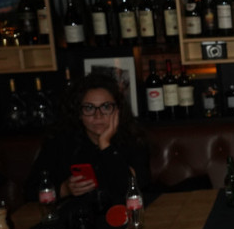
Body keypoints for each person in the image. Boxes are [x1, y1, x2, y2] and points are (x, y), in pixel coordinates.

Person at [24, 72, 150, 206]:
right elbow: (30, 191)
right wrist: (64, 189)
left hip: (123, 215)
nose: (98, 115)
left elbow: (135, 190)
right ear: (79, 113)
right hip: (75, 216)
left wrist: (105, 145)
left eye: (106, 107)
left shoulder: (133, 140)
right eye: (89, 108)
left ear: (117, 111)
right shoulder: (60, 143)